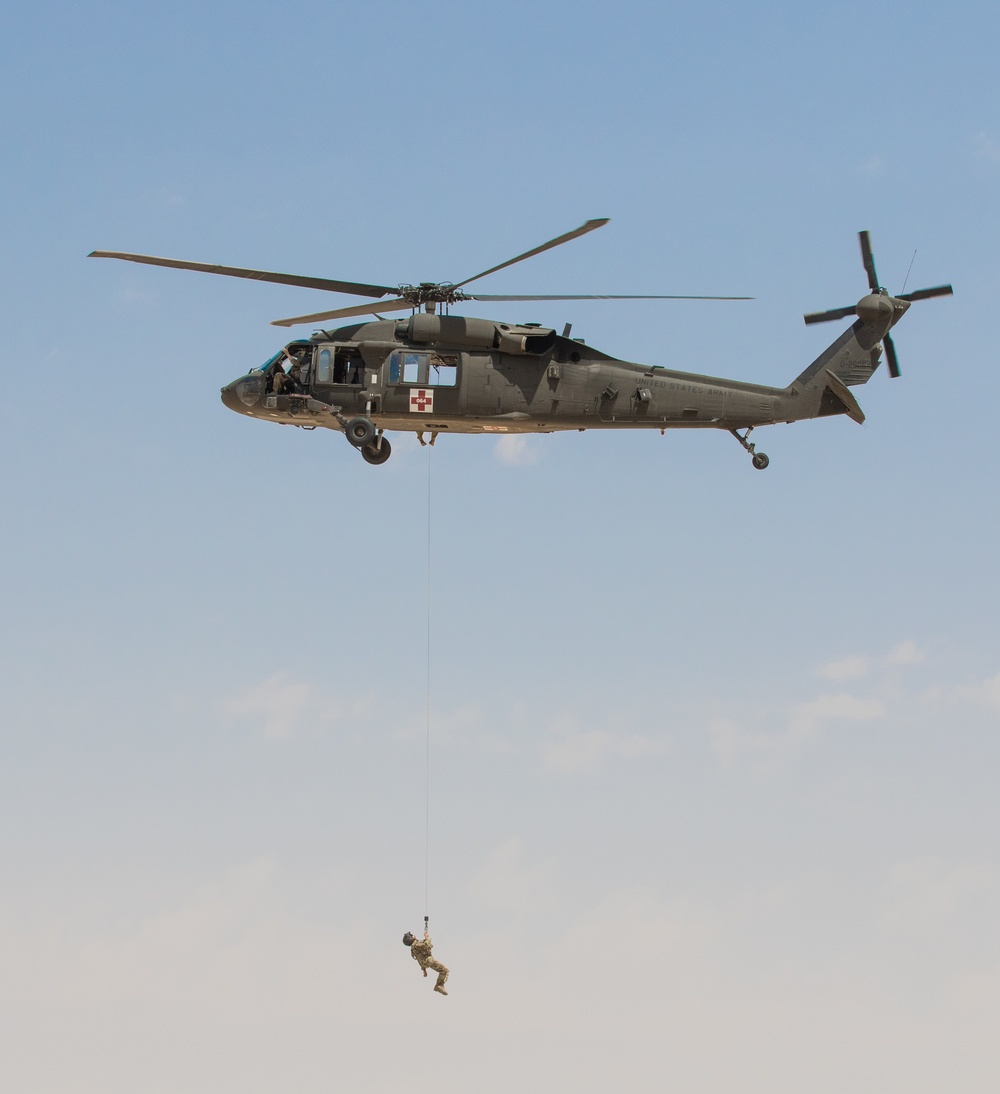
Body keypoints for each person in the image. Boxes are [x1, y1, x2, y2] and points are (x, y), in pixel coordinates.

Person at [403, 929, 449, 995]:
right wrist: (427, 937)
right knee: (445, 970)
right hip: (429, 960)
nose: (413, 935)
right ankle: (439, 985)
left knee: (443, 971)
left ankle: (439, 985)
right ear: (410, 938)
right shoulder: (416, 944)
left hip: (426, 962)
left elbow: (419, 959)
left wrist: (423, 969)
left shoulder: (414, 948)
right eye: (411, 935)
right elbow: (427, 945)